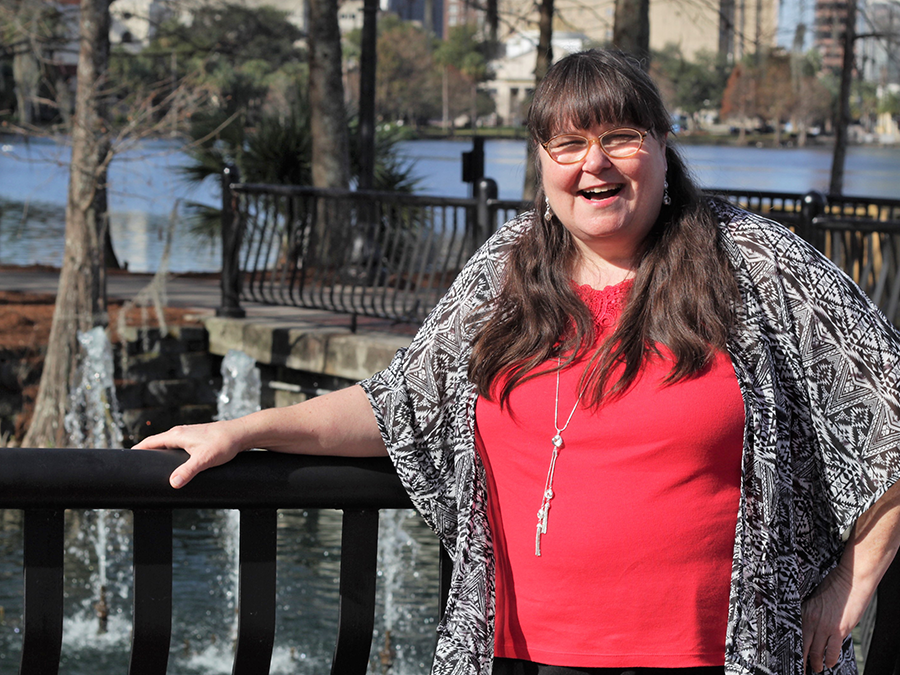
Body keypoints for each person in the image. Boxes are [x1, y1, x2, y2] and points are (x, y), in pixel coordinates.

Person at [134, 49, 900, 675]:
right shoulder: (506, 270)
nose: (593, 163)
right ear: (543, 163)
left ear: (664, 148)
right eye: (567, 144)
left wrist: (850, 581)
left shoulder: (757, 262)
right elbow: (403, 402)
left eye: (621, 137)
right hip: (519, 655)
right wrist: (243, 429)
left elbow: (889, 404)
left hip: (718, 657)